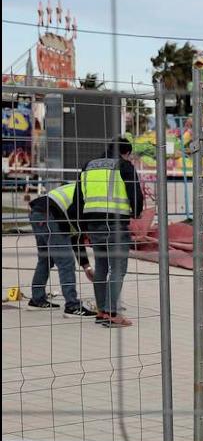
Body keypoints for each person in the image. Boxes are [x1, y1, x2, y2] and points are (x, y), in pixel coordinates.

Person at [73, 137, 144, 328]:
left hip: (93, 224)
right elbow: (135, 194)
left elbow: (78, 197)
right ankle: (113, 313)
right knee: (118, 269)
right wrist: (136, 212)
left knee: (102, 267)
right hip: (115, 224)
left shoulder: (88, 166)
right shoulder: (124, 165)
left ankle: (102, 311)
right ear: (125, 152)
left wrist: (81, 224)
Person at [27, 181, 95, 317]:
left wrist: (86, 266)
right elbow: (77, 235)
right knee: (66, 261)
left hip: (38, 212)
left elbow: (76, 237)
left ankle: (37, 299)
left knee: (45, 259)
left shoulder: (83, 187)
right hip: (49, 216)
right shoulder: (89, 197)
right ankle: (72, 306)